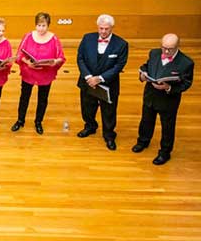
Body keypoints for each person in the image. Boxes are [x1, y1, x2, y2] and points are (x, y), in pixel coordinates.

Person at [132, 33, 194, 165]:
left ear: (177, 47)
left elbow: (186, 83)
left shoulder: (186, 63)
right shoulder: (154, 53)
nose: (165, 51)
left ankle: (165, 152)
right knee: (146, 120)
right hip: (150, 95)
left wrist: (168, 88)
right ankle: (143, 141)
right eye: (163, 48)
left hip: (168, 100)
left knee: (167, 127)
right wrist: (142, 75)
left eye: (169, 49)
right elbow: (145, 67)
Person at [76, 14, 129, 150]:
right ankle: (90, 126)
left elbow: (118, 66)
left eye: (107, 29)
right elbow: (80, 58)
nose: (103, 32)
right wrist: (88, 77)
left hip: (108, 84)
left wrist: (99, 78)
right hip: (87, 82)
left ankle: (109, 135)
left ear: (112, 28)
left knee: (109, 112)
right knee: (87, 107)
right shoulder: (87, 38)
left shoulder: (121, 44)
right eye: (101, 28)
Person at [11, 12, 65, 135]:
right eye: (39, 25)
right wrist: (27, 62)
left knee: (43, 99)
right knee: (24, 97)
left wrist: (54, 62)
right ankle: (20, 120)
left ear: (48, 25)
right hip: (29, 72)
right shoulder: (28, 36)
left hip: (45, 74)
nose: (41, 28)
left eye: (44, 25)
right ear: (36, 25)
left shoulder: (54, 38)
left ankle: (38, 122)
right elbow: (19, 54)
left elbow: (61, 57)